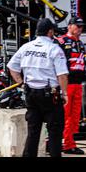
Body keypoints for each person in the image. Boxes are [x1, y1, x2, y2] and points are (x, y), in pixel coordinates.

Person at [8, 18, 69, 157]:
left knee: (33, 132)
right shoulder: (54, 49)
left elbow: (12, 66)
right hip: (50, 95)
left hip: (31, 94)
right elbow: (62, 75)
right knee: (55, 132)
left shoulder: (26, 47)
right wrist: (65, 94)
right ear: (50, 32)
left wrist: (21, 83)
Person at [55, 17, 86, 155]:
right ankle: (53, 143)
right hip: (65, 85)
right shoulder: (61, 41)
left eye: (81, 27)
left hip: (78, 85)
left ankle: (69, 144)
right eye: (77, 26)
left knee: (74, 118)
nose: (80, 29)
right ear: (69, 26)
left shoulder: (81, 43)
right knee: (62, 116)